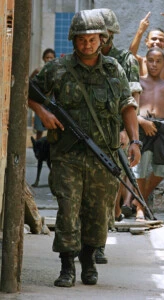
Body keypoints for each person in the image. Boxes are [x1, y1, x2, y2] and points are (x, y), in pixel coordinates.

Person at [28, 10, 141, 288]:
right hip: (67, 155)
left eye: (92, 39)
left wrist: (135, 140)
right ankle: (67, 266)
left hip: (103, 154)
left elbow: (127, 105)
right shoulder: (57, 70)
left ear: (102, 39)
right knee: (68, 209)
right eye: (81, 39)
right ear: (73, 40)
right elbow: (30, 93)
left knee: (98, 212)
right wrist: (42, 114)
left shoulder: (114, 69)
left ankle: (89, 261)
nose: (87, 44)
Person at [125, 10, 164, 217]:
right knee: (137, 166)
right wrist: (141, 30)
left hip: (161, 120)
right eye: (154, 39)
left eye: (161, 39)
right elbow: (131, 51)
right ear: (147, 42)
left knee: (163, 169)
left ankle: (139, 201)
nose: (157, 42)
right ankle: (137, 205)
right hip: (142, 119)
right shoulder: (143, 62)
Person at [92, 8, 142, 264]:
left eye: (103, 34)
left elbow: (132, 99)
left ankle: (100, 240)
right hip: (88, 134)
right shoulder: (87, 57)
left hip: (114, 134)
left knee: (108, 190)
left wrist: (128, 133)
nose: (98, 39)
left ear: (110, 35)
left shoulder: (125, 60)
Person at [30, 48, 56, 140]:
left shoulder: (56, 71)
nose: (49, 59)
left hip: (52, 101)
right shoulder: (38, 70)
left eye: (51, 57)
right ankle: (37, 147)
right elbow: (29, 83)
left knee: (52, 127)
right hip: (40, 101)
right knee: (39, 129)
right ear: (43, 58)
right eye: (47, 57)